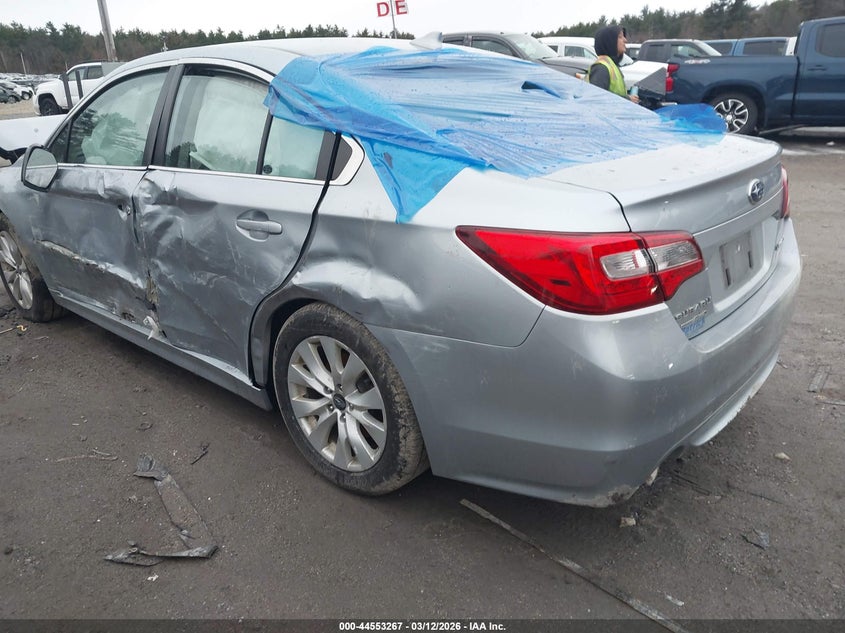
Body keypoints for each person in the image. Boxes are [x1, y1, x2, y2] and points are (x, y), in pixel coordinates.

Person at [588, 25, 639, 104]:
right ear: (610, 42)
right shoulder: (601, 68)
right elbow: (597, 99)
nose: (625, 40)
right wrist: (627, 99)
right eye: (620, 37)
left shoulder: (611, 65)